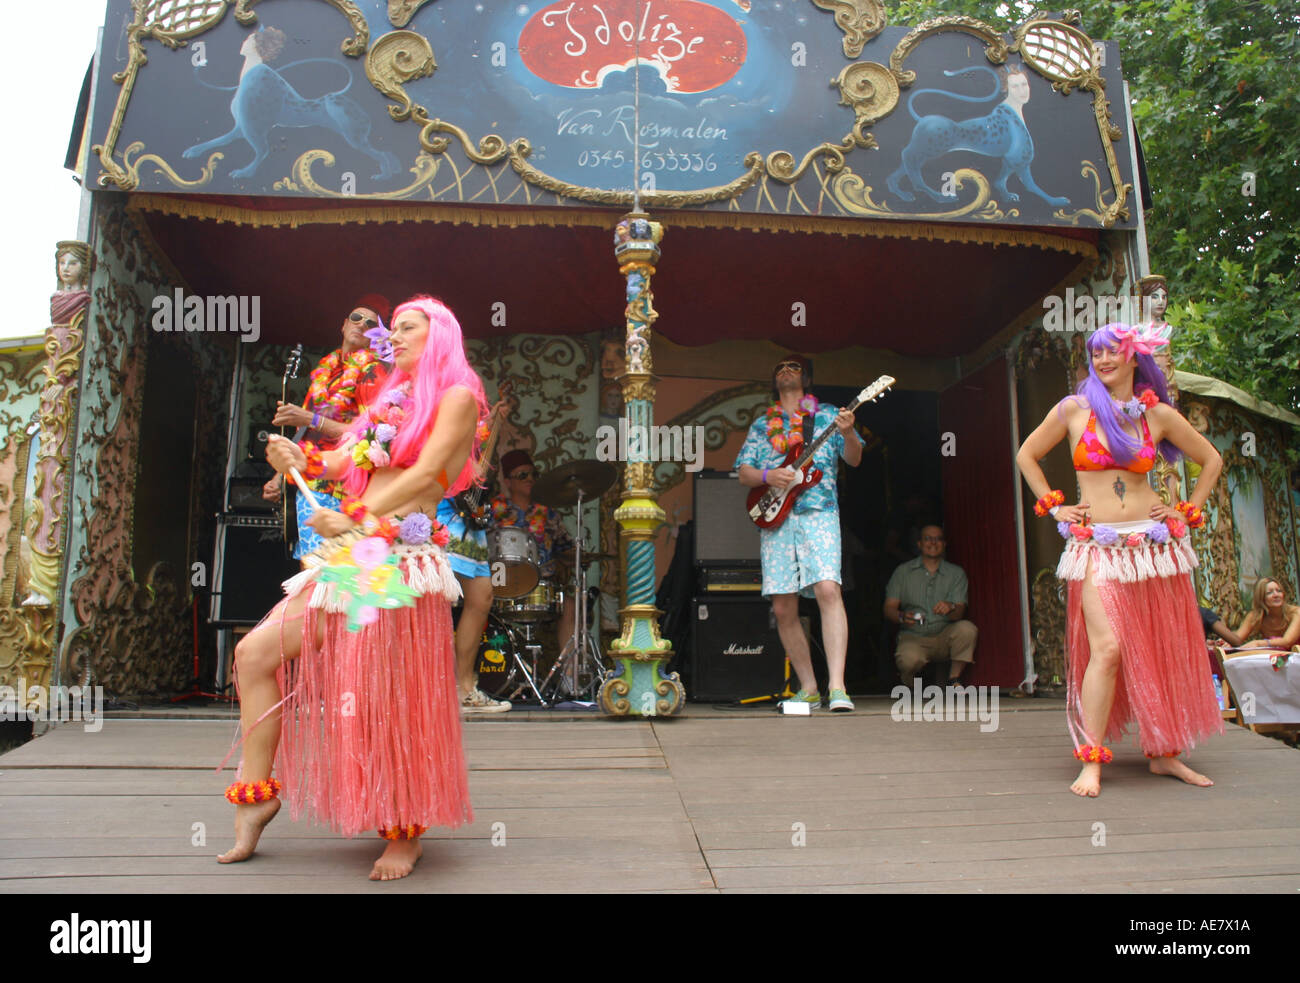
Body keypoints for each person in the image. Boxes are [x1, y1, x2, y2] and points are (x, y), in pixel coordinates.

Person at [219, 295, 487, 880]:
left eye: (409, 328)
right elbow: (348, 459)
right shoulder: (389, 397)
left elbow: (427, 474)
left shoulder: (457, 396)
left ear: (439, 334)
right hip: (355, 553)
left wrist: (358, 515)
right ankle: (256, 790)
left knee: (382, 695)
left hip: (395, 558)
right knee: (255, 654)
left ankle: (403, 830)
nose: (395, 337)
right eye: (395, 329)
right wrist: (301, 458)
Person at [1016, 322, 1223, 797]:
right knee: (1106, 648)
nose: (1104, 360)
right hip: (1098, 546)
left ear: (1134, 358)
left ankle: (1165, 754)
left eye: (1113, 352)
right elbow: (1027, 454)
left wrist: (1185, 509)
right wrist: (1055, 505)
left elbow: (1210, 460)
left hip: (1153, 547)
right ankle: (1091, 761)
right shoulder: (1074, 410)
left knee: (1159, 646)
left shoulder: (1157, 415)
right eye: (1096, 353)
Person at [735, 354, 863, 712]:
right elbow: (743, 471)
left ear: (806, 377)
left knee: (827, 588)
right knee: (783, 605)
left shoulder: (827, 416)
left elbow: (854, 459)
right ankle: (808, 687)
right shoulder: (764, 424)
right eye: (779, 368)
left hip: (819, 512)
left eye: (793, 367)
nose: (786, 371)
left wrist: (849, 431)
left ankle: (837, 687)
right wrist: (767, 477)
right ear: (774, 381)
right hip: (778, 519)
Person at [262, 296, 391, 559]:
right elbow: (304, 430)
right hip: (308, 479)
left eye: (370, 323)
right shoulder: (326, 370)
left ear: (374, 335)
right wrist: (280, 475)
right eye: (356, 318)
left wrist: (311, 419)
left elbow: (372, 434)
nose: (361, 325)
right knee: (309, 565)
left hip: (344, 485)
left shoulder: (373, 373)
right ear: (344, 325)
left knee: (330, 570)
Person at [440, 397, 513, 712]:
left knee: (482, 595)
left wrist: (494, 423)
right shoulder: (437, 425)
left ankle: (464, 687)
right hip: (442, 514)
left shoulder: (474, 433)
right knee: (439, 599)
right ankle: (434, 687)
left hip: (471, 522)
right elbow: (468, 473)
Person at [491, 449, 576, 648]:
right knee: (477, 600)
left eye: (533, 474)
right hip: (502, 584)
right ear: (508, 481)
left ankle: (568, 676)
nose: (530, 479)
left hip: (541, 585)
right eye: (523, 475)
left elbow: (566, 549)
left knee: (571, 605)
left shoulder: (547, 513)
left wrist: (581, 557)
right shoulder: (494, 511)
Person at [883, 524, 977, 685]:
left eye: (938, 539)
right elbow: (888, 608)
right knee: (908, 660)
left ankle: (954, 679)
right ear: (919, 544)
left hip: (944, 634)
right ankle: (910, 684)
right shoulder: (903, 572)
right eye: (928, 539)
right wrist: (902, 616)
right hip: (914, 635)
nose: (933, 543)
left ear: (944, 544)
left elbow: (960, 612)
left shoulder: (956, 573)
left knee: (967, 629)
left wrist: (951, 607)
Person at [1233, 577, 1300, 650]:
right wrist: (1226, 641)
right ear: (1261, 598)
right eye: (1269, 593)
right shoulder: (1255, 615)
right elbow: (1237, 639)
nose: (1276, 595)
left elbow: (1287, 641)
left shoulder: (1296, 612)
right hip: (1275, 658)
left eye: (1279, 591)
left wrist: (1258, 643)